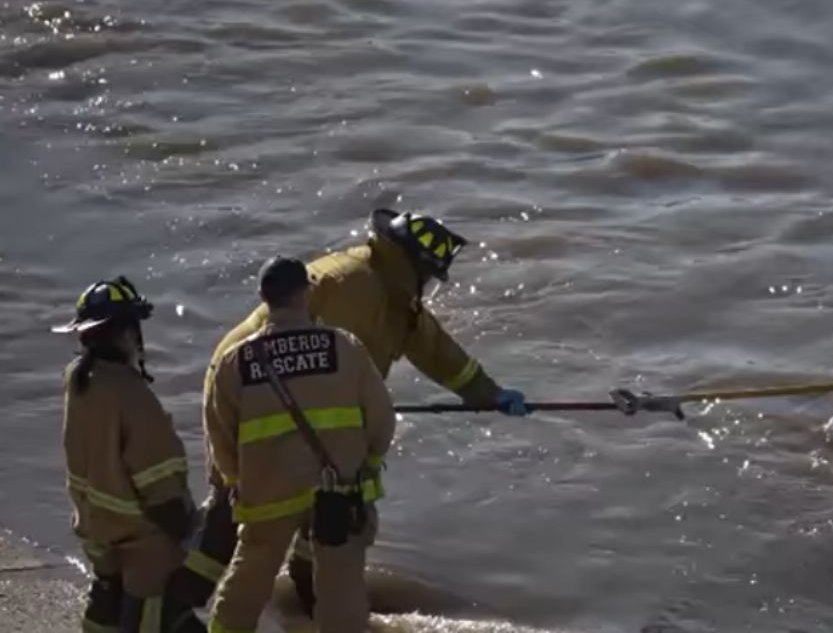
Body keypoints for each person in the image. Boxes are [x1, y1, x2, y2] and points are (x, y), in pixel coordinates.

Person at [172, 208, 528, 611]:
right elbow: (320, 369)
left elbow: (435, 351)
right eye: (428, 275)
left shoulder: (394, 295)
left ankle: (305, 596)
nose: (428, 287)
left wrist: (489, 394)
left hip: (299, 405)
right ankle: (175, 603)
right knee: (239, 505)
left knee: (324, 505)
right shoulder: (353, 286)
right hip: (250, 393)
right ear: (412, 264)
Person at [205, 257, 396, 633]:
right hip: (338, 489)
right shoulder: (343, 346)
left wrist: (236, 480)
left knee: (246, 584)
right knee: (341, 591)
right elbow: (381, 419)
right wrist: (370, 460)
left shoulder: (235, 360)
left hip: (267, 494)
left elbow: (219, 435)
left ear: (264, 298)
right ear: (306, 293)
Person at [55, 276, 205, 633]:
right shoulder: (134, 397)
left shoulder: (78, 379)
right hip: (143, 544)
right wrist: (191, 534)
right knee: (157, 617)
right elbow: (161, 487)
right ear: (126, 334)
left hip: (97, 531)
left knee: (106, 606)